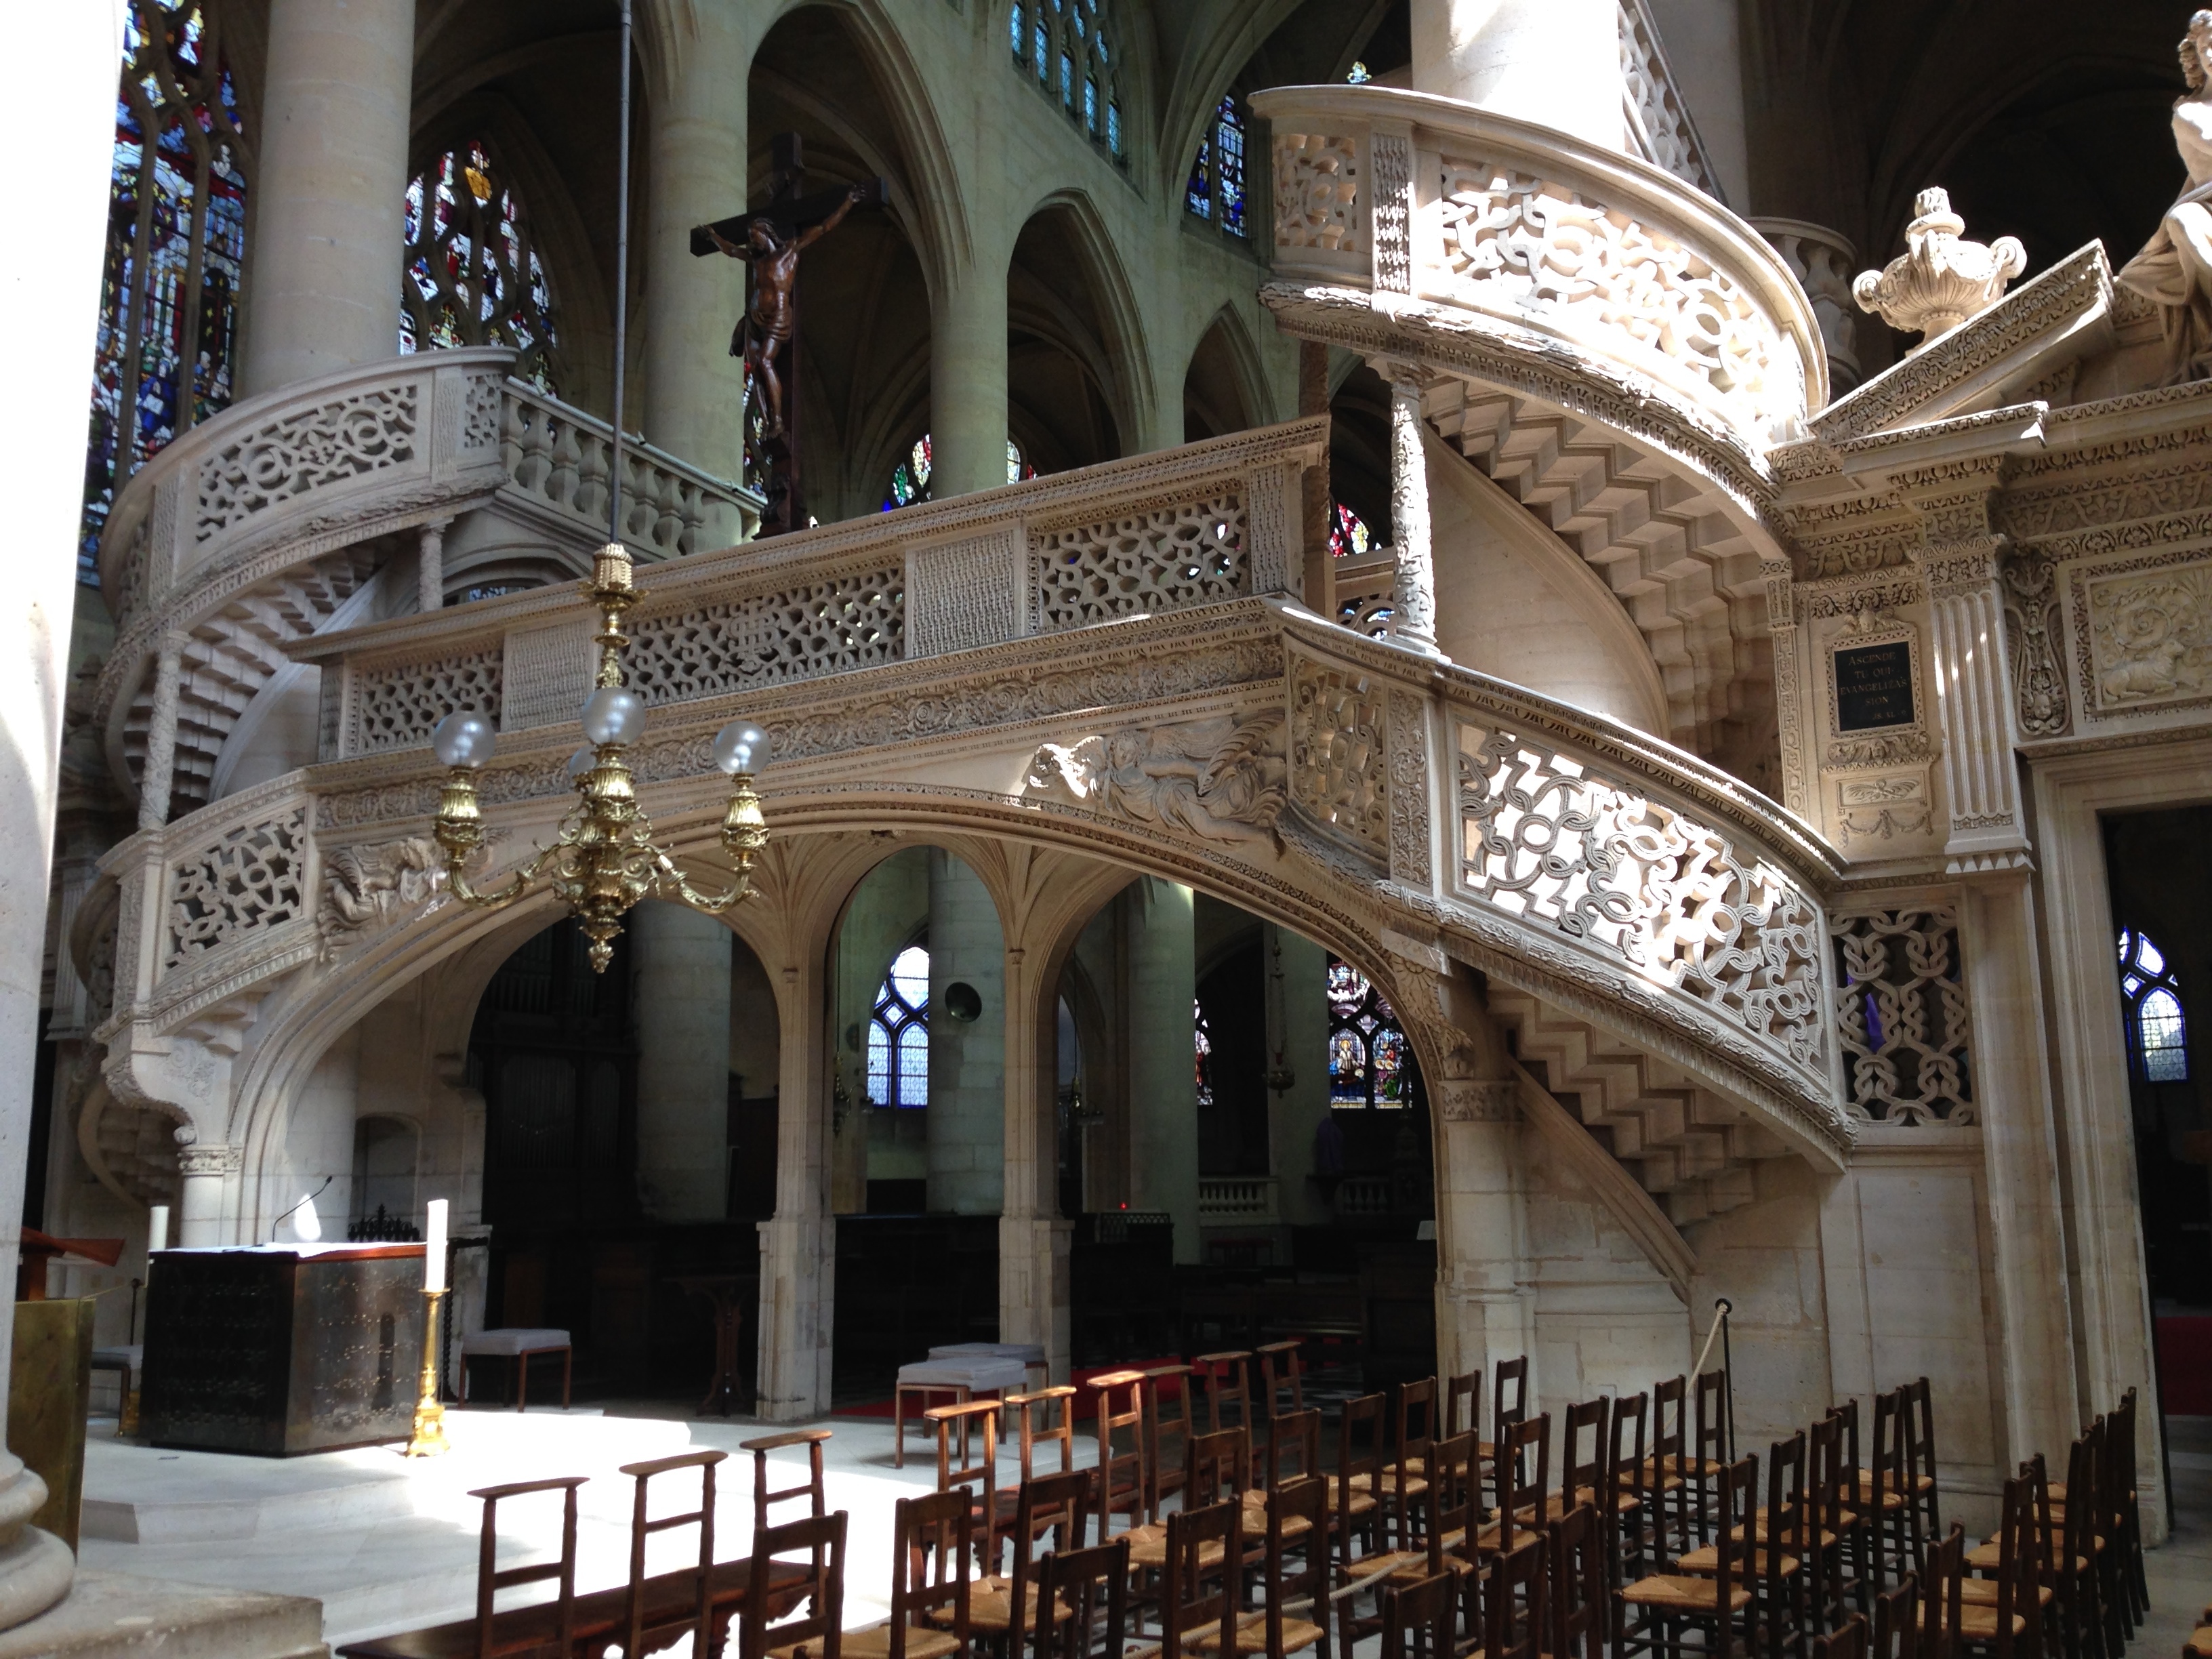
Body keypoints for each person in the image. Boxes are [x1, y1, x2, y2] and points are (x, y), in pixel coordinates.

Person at [707, 183, 869, 437]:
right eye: (751, 239)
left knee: (765, 361)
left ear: (766, 233)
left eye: (756, 237)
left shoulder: (790, 251)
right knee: (755, 369)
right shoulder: (756, 259)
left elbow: (824, 228)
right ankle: (767, 421)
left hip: (778, 317)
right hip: (755, 317)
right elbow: (732, 250)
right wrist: (713, 238)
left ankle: (778, 420)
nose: (753, 242)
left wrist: (848, 202)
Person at [2119, 9, 2212, 383]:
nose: (2211, 54)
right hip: (2208, 207)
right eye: (2204, 48)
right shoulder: (2189, 113)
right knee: (2182, 220)